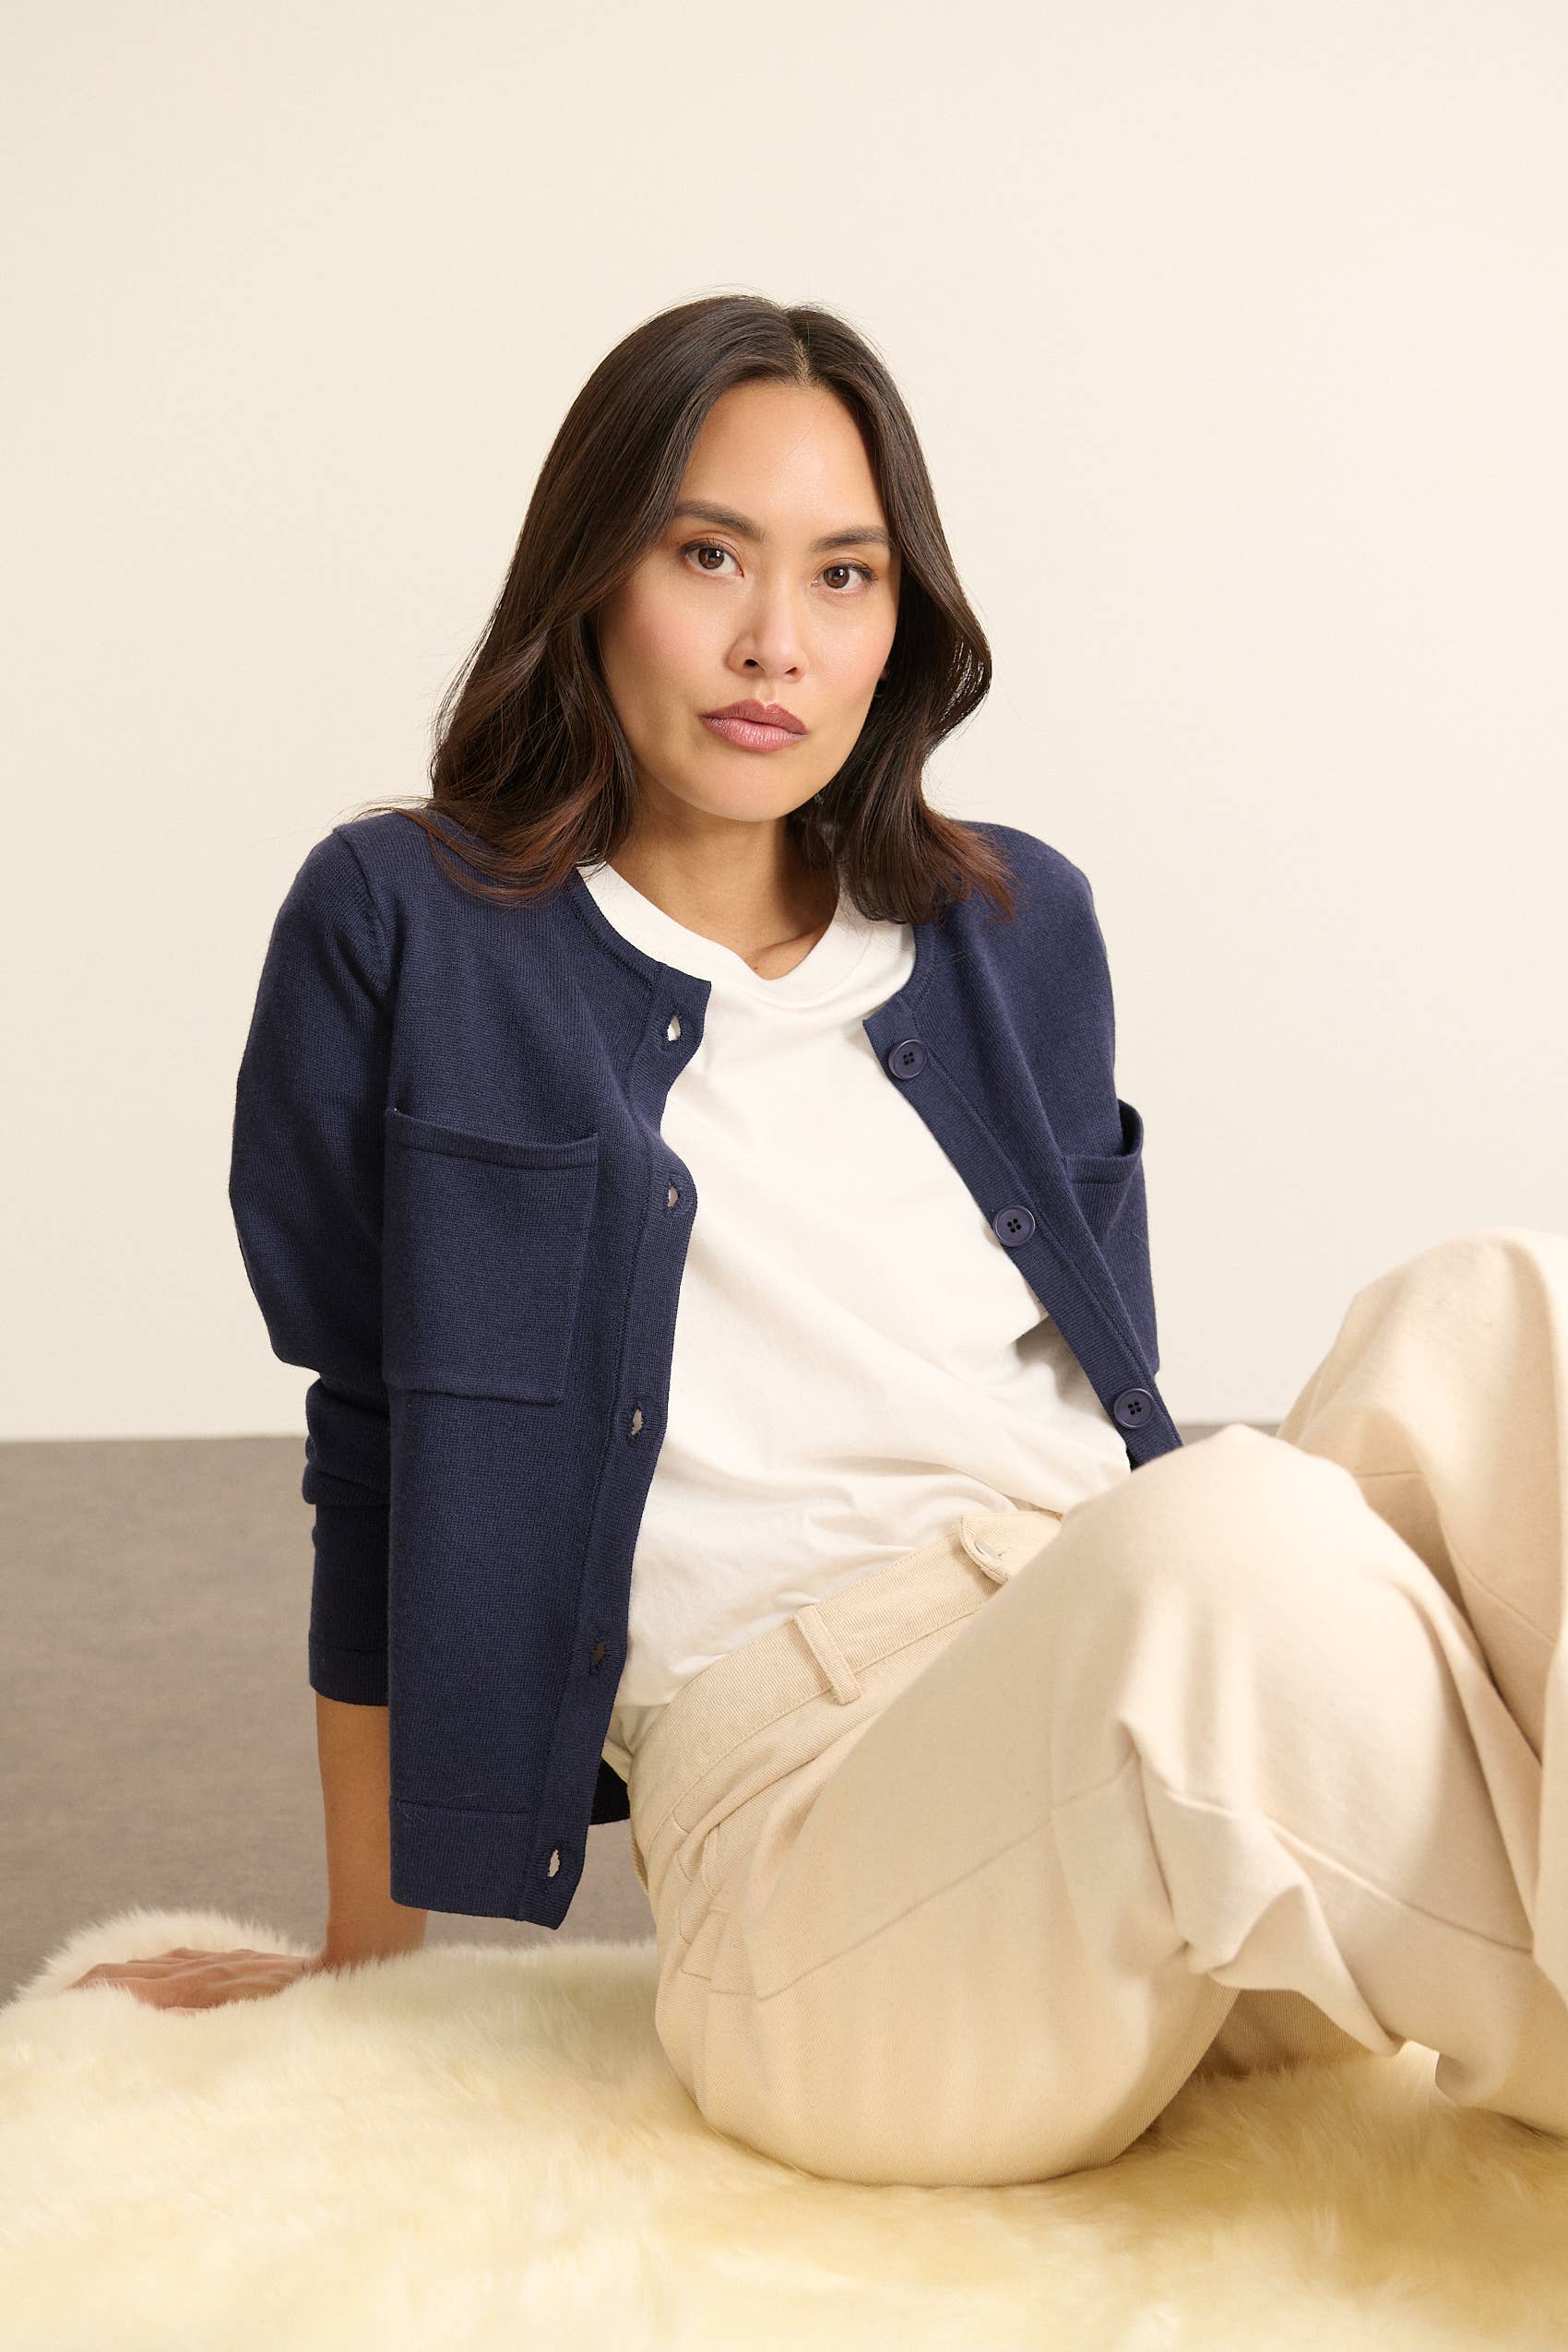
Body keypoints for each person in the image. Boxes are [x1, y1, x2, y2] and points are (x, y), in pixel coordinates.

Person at [77, 295, 1568, 2192]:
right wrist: (365, 1961)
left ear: (898, 621)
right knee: (1222, 1540)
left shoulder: (1016, 926)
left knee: (1501, 1310)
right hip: (833, 1888)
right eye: (710, 556)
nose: (776, 640)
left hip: (1158, 1759)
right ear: (592, 577)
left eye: (843, 575)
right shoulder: (409, 926)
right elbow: (373, 1435)